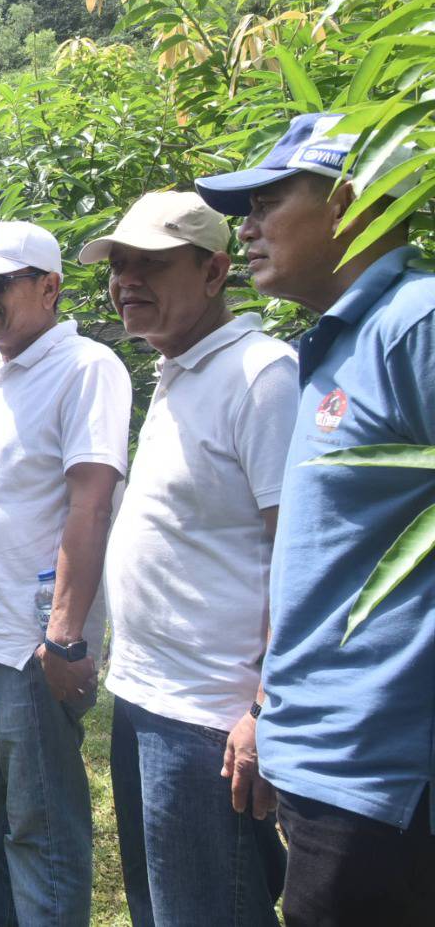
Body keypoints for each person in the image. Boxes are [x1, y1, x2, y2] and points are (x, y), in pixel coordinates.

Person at [195, 112, 435, 926]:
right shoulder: (332, 345)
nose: (248, 227)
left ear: (350, 200)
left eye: (267, 201)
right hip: (321, 760)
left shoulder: (417, 326)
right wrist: (270, 712)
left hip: (381, 778)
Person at [78, 192, 294, 925]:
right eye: (120, 263)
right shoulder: (178, 370)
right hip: (145, 698)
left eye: (152, 264)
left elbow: (295, 551)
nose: (126, 279)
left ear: (214, 272)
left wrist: (266, 710)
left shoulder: (262, 375)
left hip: (210, 719)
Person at [0, 219, 131, 927]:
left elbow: (92, 501)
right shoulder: (7, 371)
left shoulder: (85, 368)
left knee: (42, 831)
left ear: (49, 287)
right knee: (7, 819)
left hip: (32, 645)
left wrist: (64, 637)